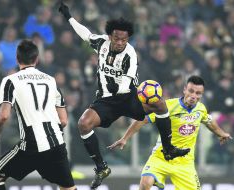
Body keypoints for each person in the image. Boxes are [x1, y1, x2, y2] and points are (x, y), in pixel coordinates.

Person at [58, 2, 190, 189]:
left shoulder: (130, 55)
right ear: (110, 36)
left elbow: (127, 83)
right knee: (83, 124)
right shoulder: (101, 43)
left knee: (160, 105)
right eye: (117, 38)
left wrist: (113, 84)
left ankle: (168, 149)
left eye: (124, 40)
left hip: (128, 97)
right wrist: (69, 17)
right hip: (105, 100)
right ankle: (101, 167)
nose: (120, 43)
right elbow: (85, 34)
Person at [0, 40, 77, 190]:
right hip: (57, 143)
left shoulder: (10, 81)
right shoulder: (51, 80)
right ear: (36, 59)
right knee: (67, 187)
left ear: (17, 59)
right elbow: (63, 120)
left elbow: (3, 116)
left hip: (31, 144)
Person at [108, 75, 232, 190]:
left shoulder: (201, 109)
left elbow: (209, 121)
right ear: (184, 90)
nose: (194, 96)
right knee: (145, 184)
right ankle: (156, 178)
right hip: (162, 156)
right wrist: (125, 138)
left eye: (198, 93)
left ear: (202, 94)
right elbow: (143, 120)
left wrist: (221, 133)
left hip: (185, 163)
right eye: (191, 91)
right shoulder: (167, 106)